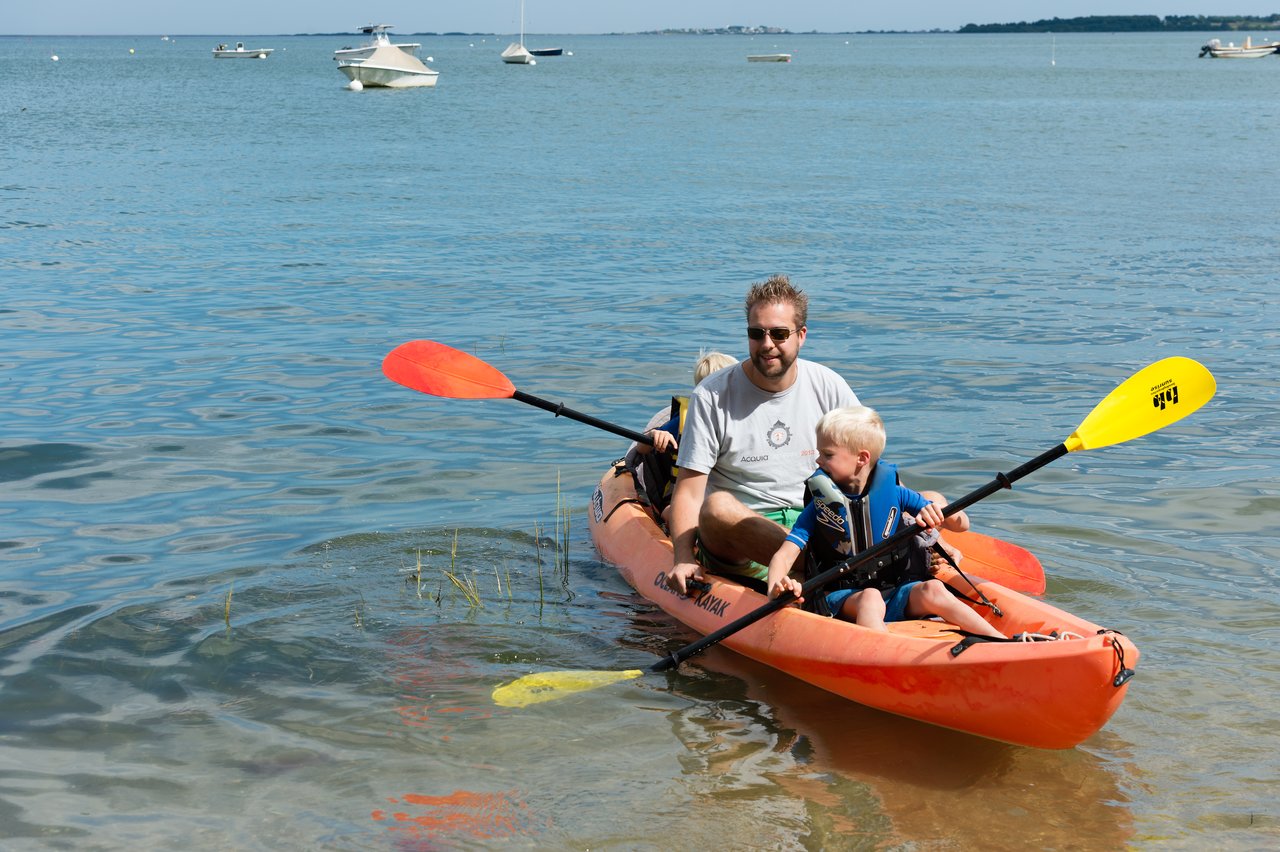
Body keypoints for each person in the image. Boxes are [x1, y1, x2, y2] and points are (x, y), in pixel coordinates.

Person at [666, 274, 860, 595]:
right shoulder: (711, 396)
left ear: (801, 336)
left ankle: (820, 568)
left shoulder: (829, 385)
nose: (767, 344)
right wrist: (683, 557)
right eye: (757, 334)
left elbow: (866, 468)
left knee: (930, 500)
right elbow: (688, 492)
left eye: (779, 333)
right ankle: (834, 567)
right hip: (741, 540)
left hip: (812, 524)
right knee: (716, 508)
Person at [764, 405, 1005, 638]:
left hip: (897, 592)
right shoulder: (820, 508)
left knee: (934, 589)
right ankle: (882, 652)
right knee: (870, 597)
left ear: (862, 458)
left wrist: (943, 512)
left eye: (827, 454)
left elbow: (960, 525)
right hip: (845, 599)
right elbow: (784, 555)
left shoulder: (895, 492)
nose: (818, 461)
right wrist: (776, 587)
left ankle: (999, 642)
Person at [627, 351, 738, 524]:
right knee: (674, 511)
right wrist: (655, 435)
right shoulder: (685, 422)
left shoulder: (744, 420)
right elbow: (641, 449)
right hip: (685, 497)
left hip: (726, 496)